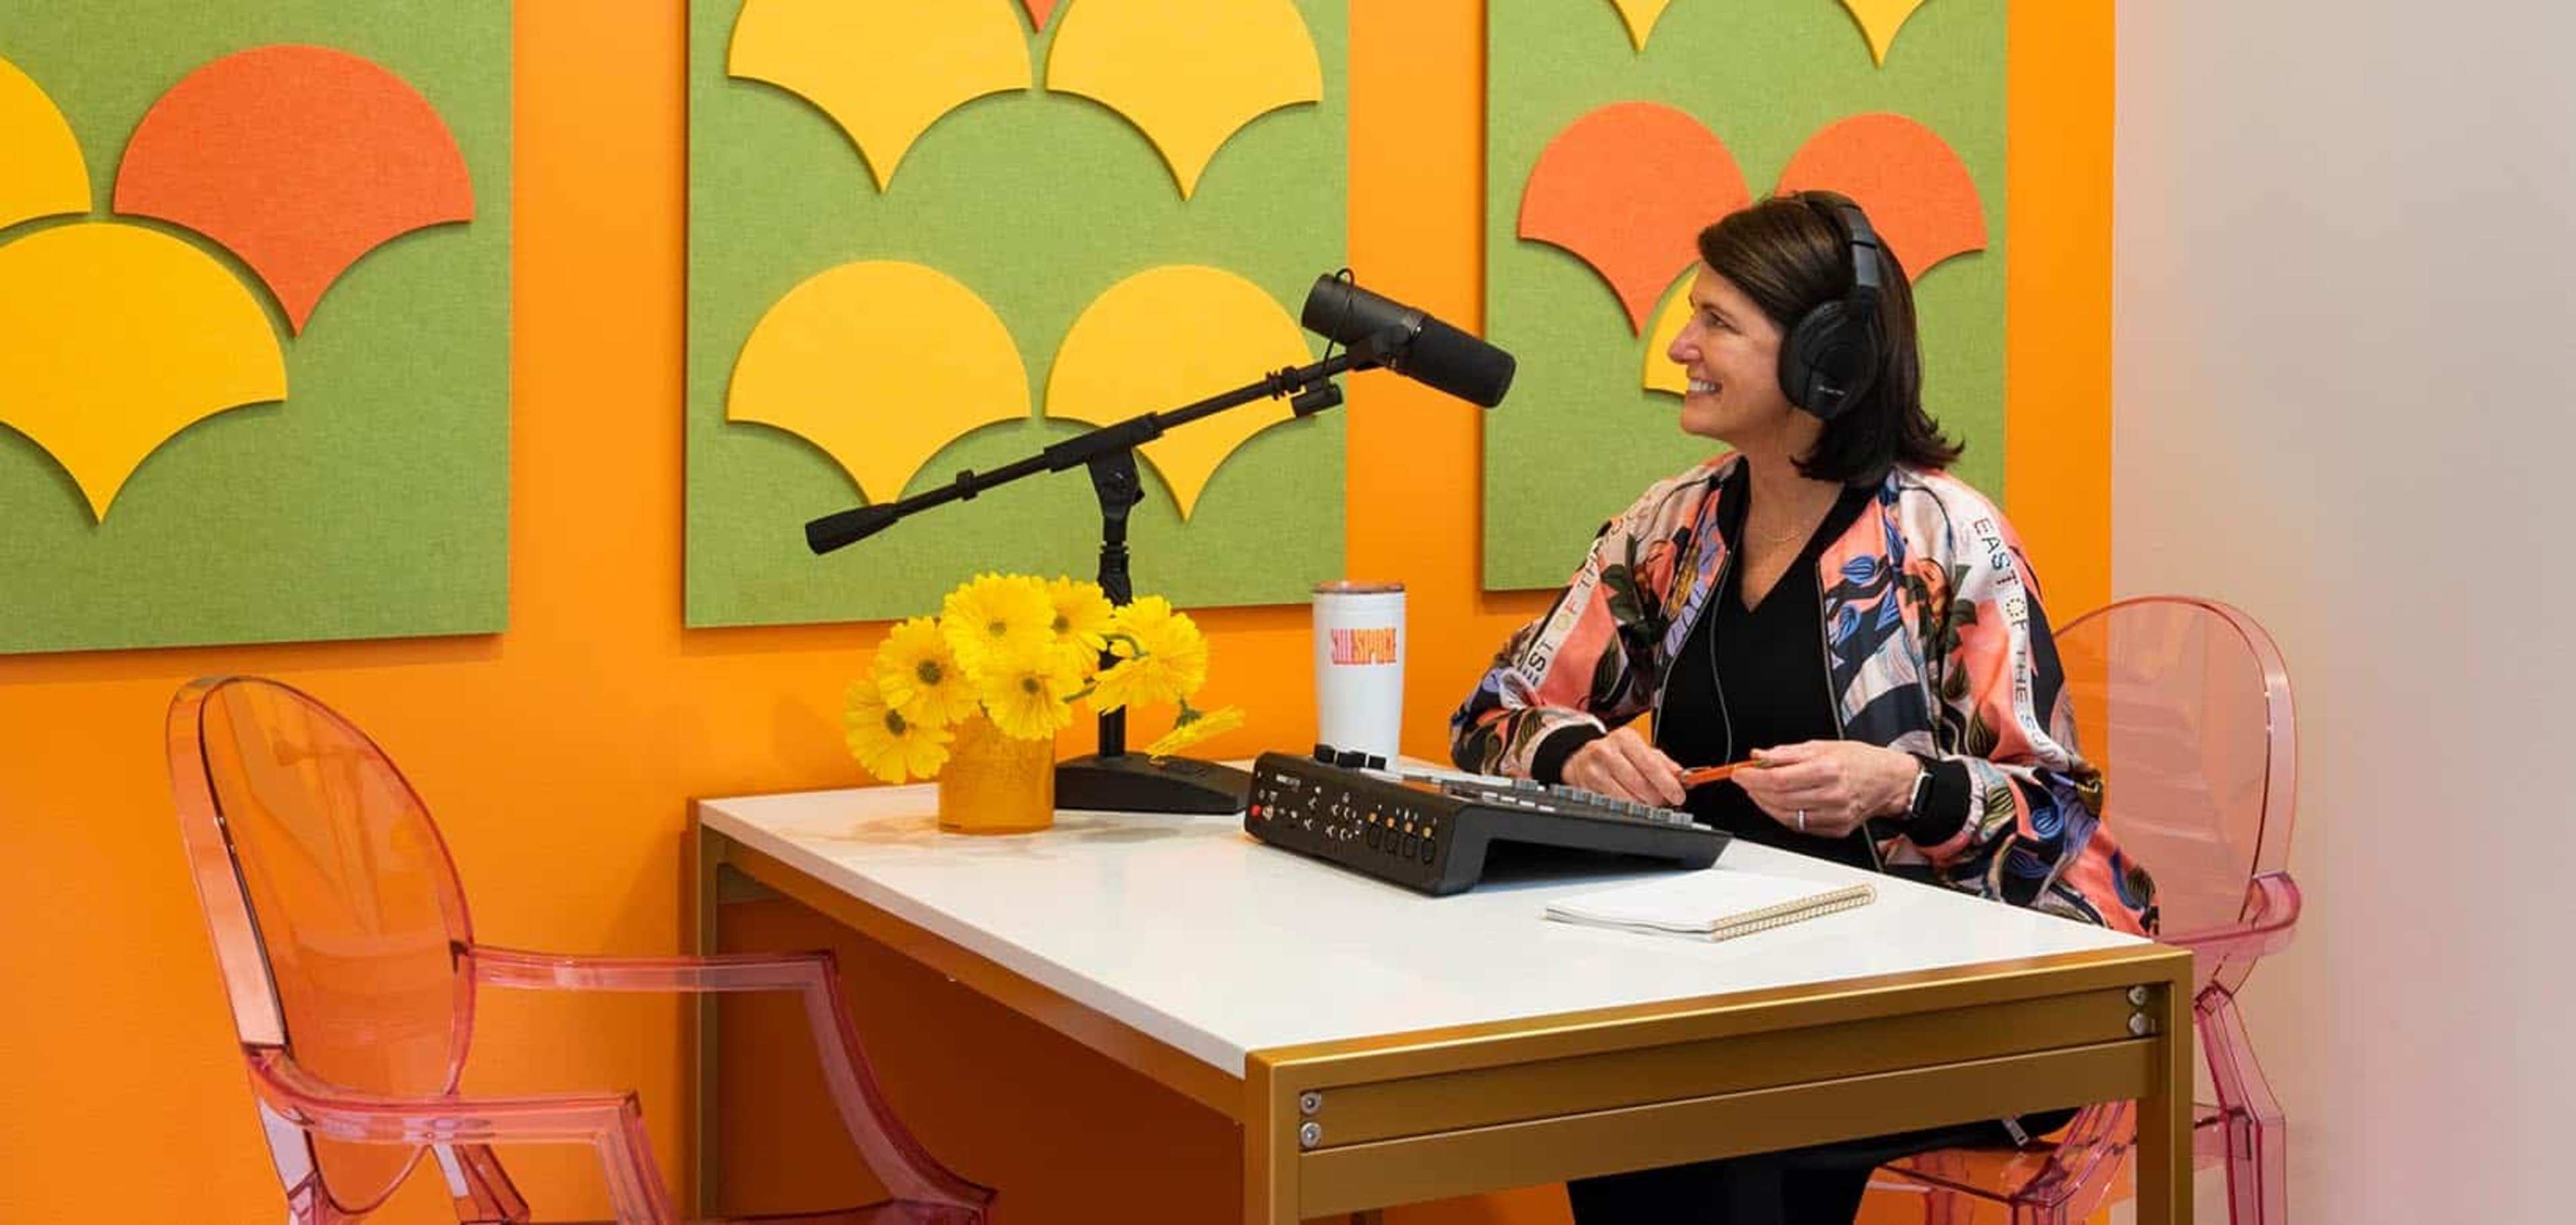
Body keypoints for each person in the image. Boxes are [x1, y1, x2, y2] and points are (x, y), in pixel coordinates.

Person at [1448, 191, 2158, 1225]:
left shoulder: (1948, 540)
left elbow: (2057, 809)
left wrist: (1901, 785)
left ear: (1827, 357)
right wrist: (1572, 752)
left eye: (1716, 321)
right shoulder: (1675, 525)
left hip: (1951, 991)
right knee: (1603, 1093)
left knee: (1712, 1117)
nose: (1680, 346)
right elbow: (1491, 712)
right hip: (1728, 985)